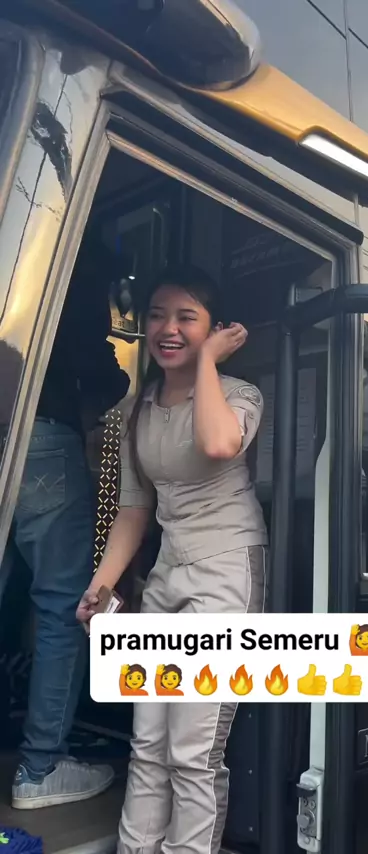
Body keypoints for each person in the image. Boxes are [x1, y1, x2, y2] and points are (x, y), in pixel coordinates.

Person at [76, 265, 268, 854]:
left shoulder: (239, 395)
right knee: (147, 743)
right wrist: (100, 588)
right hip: (167, 577)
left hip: (226, 571)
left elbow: (218, 443)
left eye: (187, 317)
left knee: (192, 749)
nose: (168, 329)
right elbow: (134, 509)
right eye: (157, 315)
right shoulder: (137, 409)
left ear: (214, 328)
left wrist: (206, 363)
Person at [0, 235, 130, 809]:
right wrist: (116, 385)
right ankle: (41, 768)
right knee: (62, 605)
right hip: (41, 433)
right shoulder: (72, 253)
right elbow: (87, 355)